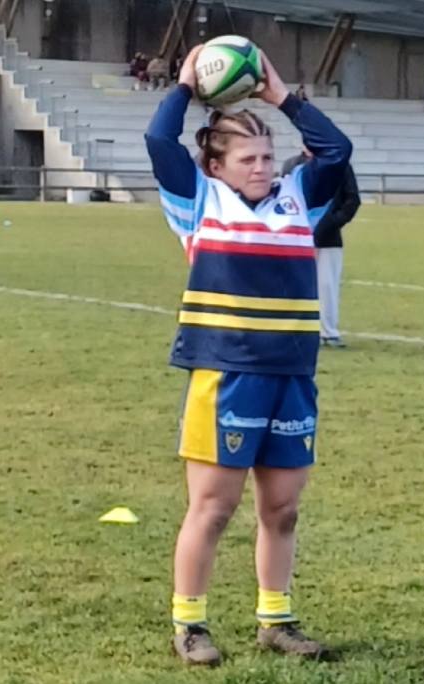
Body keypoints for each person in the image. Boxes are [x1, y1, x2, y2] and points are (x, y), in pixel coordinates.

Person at [145, 45, 352, 666]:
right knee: (214, 506)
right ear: (217, 163)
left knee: (282, 509)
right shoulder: (199, 202)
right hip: (228, 376)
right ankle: (190, 625)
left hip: (292, 374)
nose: (262, 168)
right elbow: (161, 143)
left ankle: (276, 619)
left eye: (267, 157)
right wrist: (183, 86)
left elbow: (336, 152)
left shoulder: (299, 198)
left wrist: (279, 96)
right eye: (248, 159)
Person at [282, 150, 361, 347]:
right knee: (295, 286)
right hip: (297, 238)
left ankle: (328, 332)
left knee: (327, 285)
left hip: (328, 237)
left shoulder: (339, 164)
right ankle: (295, 331)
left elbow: (352, 200)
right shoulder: (292, 165)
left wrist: (329, 224)